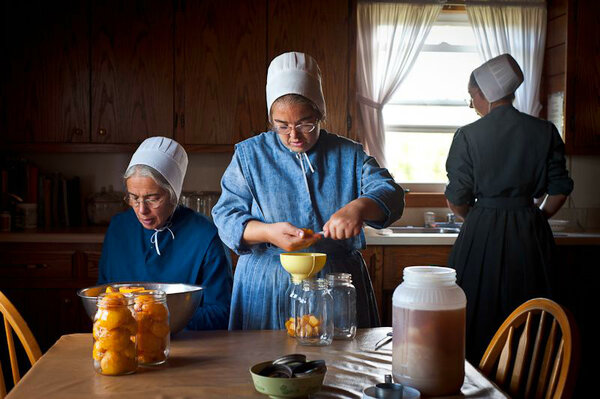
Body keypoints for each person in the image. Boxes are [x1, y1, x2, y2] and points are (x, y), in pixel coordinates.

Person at [212, 51, 404, 330]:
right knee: (263, 364)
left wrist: (359, 207)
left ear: (320, 114)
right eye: (282, 127)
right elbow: (226, 216)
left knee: (338, 366)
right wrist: (268, 232)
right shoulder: (249, 155)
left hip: (335, 282)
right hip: (266, 282)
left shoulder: (348, 154)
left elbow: (390, 192)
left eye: (305, 123)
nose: (294, 135)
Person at [445, 54, 574, 363]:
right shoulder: (545, 132)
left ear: (483, 94)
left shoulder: (468, 135)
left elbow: (457, 197)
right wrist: (534, 217)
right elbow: (559, 190)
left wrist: (475, 218)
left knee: (477, 313)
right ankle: (529, 381)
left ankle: (478, 382)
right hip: (531, 234)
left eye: (472, 95)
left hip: (481, 232)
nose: (472, 102)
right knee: (531, 313)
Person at [98, 136, 233, 330]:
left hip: (190, 347)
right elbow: (103, 296)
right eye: (134, 198)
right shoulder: (119, 228)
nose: (141, 209)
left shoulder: (206, 237)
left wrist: (158, 320)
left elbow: (221, 313)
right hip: (123, 340)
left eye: (152, 199)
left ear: (173, 195)